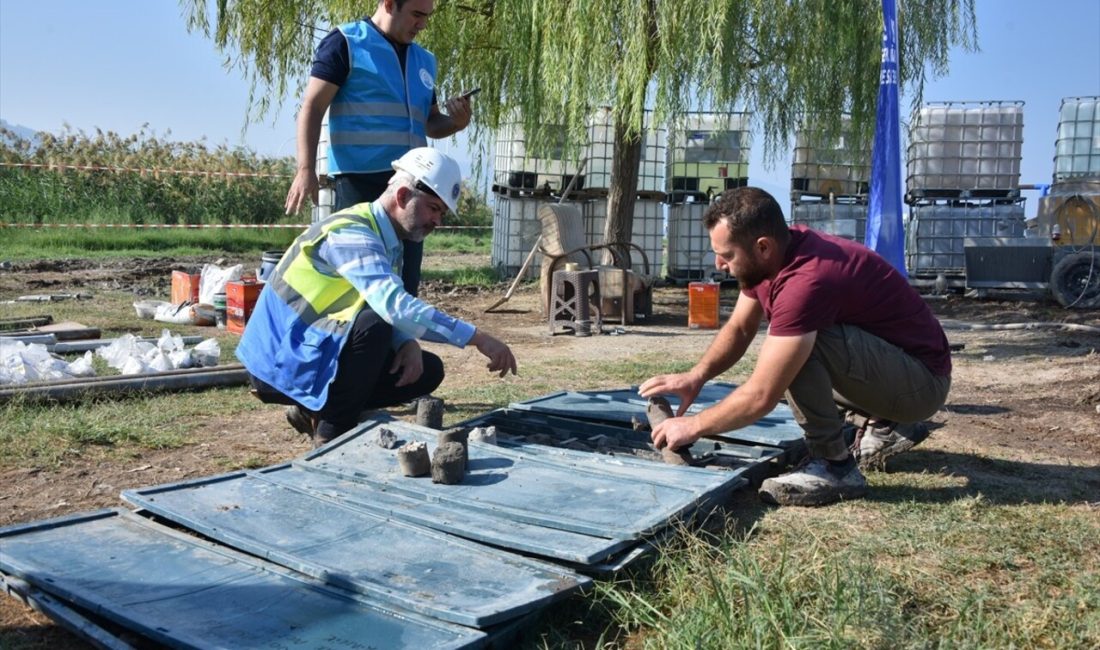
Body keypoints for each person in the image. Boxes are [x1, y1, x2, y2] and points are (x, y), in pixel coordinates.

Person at [639, 187, 951, 507]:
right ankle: (883, 423)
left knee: (797, 349)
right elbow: (740, 327)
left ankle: (835, 466)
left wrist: (693, 425)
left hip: (921, 383)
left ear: (762, 247)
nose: (719, 264)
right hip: (896, 370)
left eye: (727, 255)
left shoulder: (805, 281)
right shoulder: (776, 255)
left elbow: (761, 395)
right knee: (792, 351)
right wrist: (697, 376)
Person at [240, 148, 516, 447]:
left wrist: (406, 342)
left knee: (426, 370)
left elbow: (381, 303)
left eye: (442, 213)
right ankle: (332, 434)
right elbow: (393, 307)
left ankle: (312, 409)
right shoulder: (353, 234)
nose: (437, 221)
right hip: (278, 362)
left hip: (308, 351)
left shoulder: (387, 240)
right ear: (402, 196)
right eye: (433, 208)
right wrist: (478, 338)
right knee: (375, 325)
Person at [284, 0, 473, 298]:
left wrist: (457, 122)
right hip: (361, 183)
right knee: (357, 285)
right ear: (389, 4)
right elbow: (313, 105)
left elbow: (431, 124)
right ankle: (358, 342)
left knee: (404, 286)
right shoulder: (345, 42)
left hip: (412, 188)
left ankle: (401, 344)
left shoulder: (425, 60)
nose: (422, 24)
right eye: (417, 15)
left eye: (427, 17)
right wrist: (306, 168)